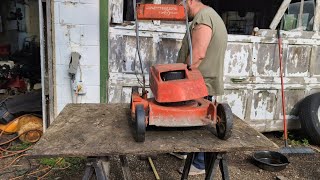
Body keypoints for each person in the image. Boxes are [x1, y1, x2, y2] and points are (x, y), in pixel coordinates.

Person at [172, 0, 228, 176]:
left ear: (188, 1)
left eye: (179, 5)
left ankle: (199, 163)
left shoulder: (203, 17)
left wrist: (179, 80)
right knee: (192, 121)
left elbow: (197, 54)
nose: (179, 12)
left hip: (199, 84)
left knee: (200, 125)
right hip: (200, 83)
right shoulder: (209, 16)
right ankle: (186, 151)